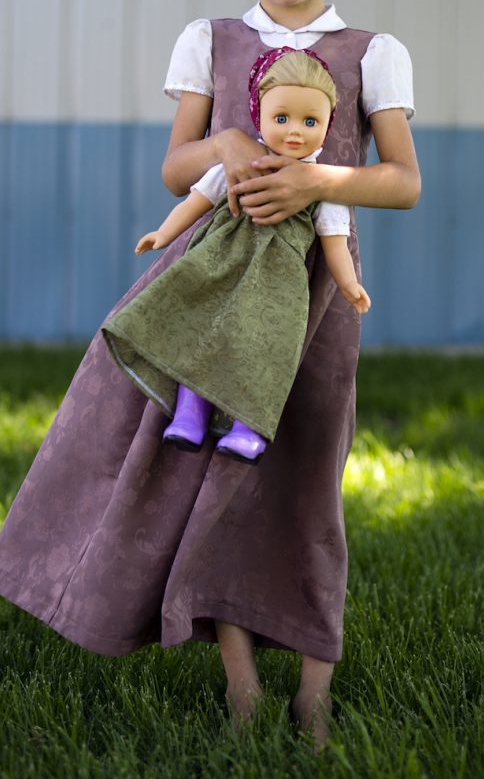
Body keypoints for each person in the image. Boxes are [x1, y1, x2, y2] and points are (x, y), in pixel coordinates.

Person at [0, 0, 420, 750]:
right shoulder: (211, 42)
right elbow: (176, 167)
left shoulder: (371, 54)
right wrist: (223, 148)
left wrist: (317, 181)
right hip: (212, 293)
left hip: (310, 304)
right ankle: (241, 688)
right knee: (214, 476)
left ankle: (314, 691)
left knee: (306, 473)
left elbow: (403, 181)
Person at [102, 47, 371, 466]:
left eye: (310, 121)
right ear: (259, 115)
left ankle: (248, 429)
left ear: (328, 123)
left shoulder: (320, 185)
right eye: (281, 118)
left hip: (277, 284)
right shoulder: (242, 165)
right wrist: (163, 233)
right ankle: (189, 415)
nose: (295, 132)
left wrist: (349, 283)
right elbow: (196, 200)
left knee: (262, 351)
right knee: (200, 332)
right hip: (219, 264)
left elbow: (335, 240)